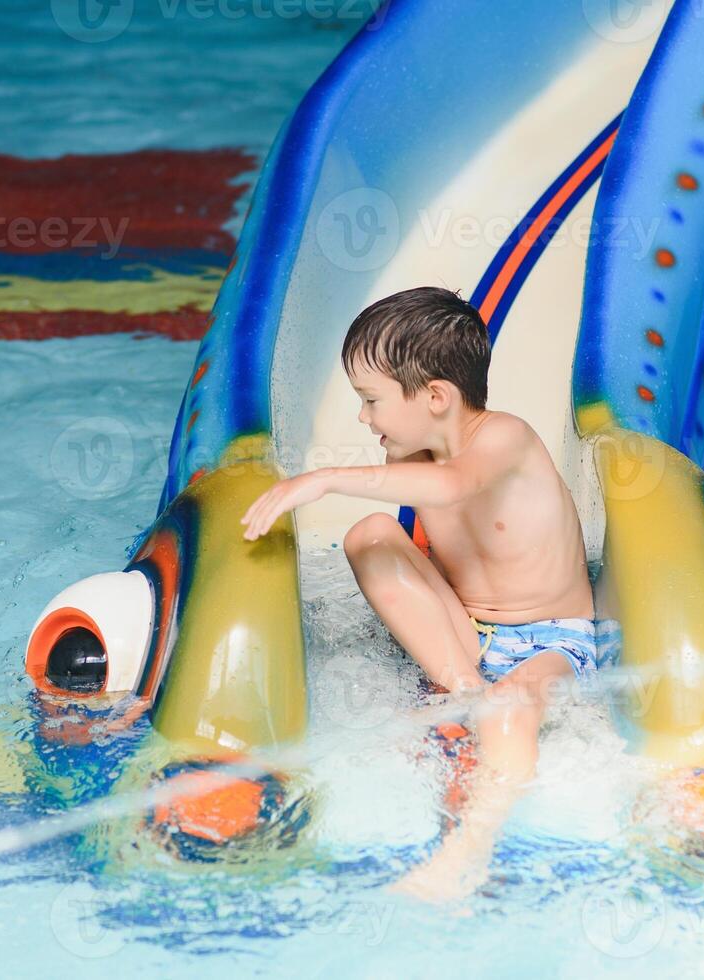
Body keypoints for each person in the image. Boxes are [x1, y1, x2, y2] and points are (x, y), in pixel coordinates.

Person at [240, 285, 601, 902]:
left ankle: (466, 855)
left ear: (436, 397)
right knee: (372, 535)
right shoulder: (431, 453)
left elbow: (455, 485)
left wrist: (326, 478)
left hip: (553, 645)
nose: (363, 417)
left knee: (513, 705)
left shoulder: (504, 439)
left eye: (371, 401)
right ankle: (463, 693)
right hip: (467, 641)